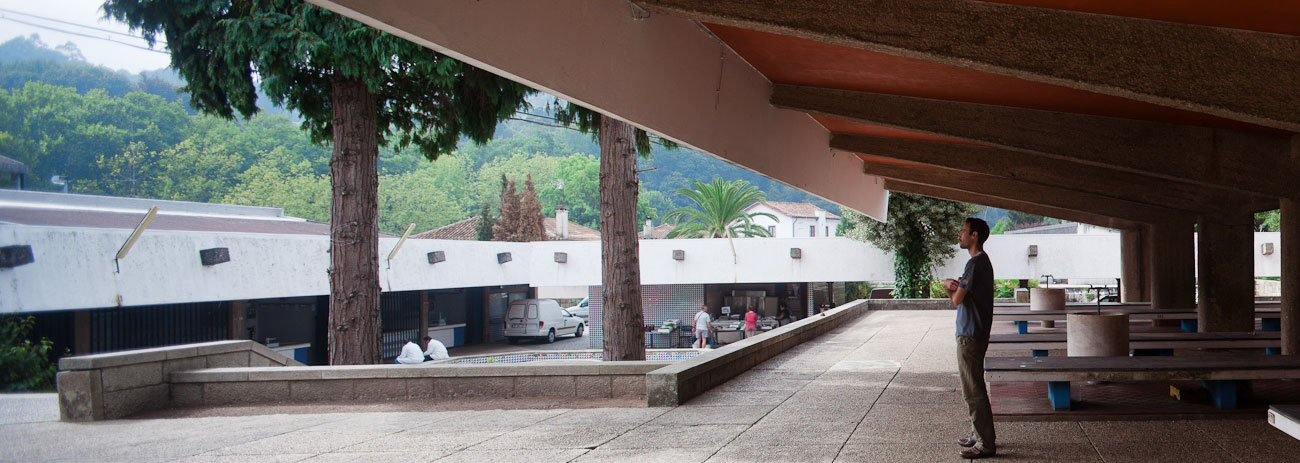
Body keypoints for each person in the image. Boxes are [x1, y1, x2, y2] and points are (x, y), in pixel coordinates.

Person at [943, 217, 996, 459]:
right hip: (976, 332)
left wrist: (947, 285)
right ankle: (979, 433)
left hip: (970, 334)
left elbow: (956, 299)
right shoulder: (981, 263)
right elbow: (962, 296)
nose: (959, 235)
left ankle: (985, 443)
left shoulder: (975, 265)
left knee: (973, 389)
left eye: (963, 231)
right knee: (974, 386)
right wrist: (955, 289)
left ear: (975, 235)